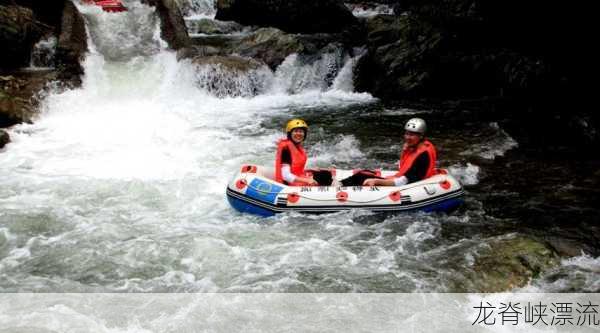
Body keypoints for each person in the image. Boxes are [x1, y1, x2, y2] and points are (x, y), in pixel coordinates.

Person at [361, 118, 437, 186]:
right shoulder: (414, 147)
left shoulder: (423, 156)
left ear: (421, 136)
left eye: (411, 135)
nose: (407, 138)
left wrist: (377, 181)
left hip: (409, 184)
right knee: (359, 176)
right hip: (401, 178)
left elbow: (404, 181)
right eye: (406, 134)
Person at [274, 119, 321, 186]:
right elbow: (285, 175)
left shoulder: (296, 146)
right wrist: (306, 180)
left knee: (323, 174)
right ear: (290, 133)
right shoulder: (286, 149)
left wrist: (309, 170)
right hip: (287, 185)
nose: (299, 134)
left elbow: (294, 167)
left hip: (297, 179)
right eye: (295, 131)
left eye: (301, 131)